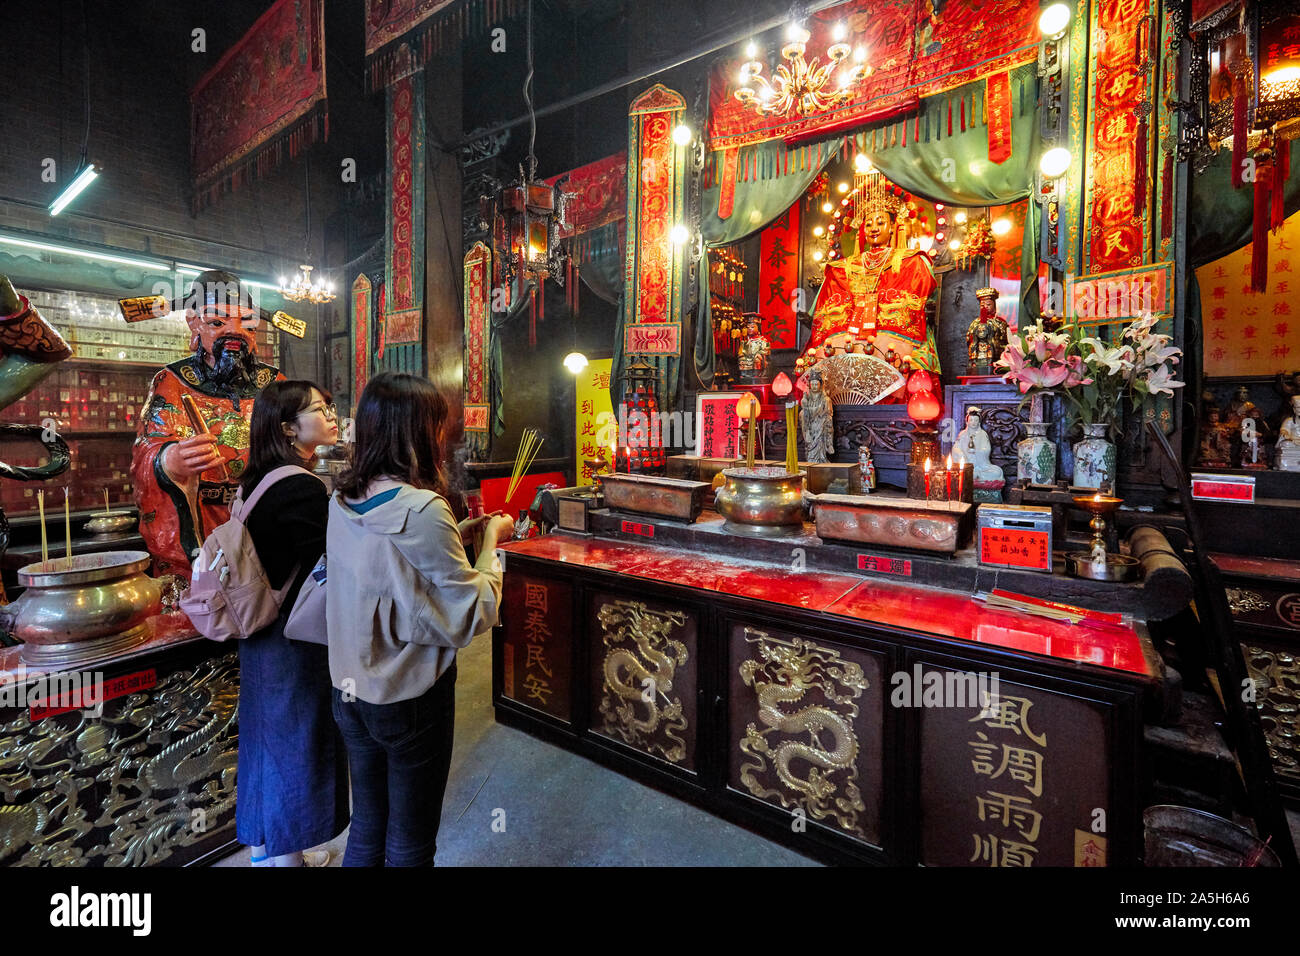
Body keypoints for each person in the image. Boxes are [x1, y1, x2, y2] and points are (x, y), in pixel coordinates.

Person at [327, 372, 513, 867]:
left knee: (368, 824)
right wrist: (493, 541)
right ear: (417, 431)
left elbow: (392, 572)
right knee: (410, 838)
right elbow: (471, 608)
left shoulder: (341, 499)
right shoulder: (424, 507)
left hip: (349, 688)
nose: (442, 435)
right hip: (408, 695)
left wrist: (460, 533)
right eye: (436, 425)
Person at [236, 380, 348, 867]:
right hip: (292, 636)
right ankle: (288, 861)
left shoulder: (256, 478)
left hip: (258, 631)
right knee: (298, 744)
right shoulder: (299, 485)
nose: (332, 416)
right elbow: (327, 561)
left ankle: (263, 850)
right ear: (288, 428)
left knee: (265, 740)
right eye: (320, 410)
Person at [129, 270, 284, 579]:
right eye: (217, 323)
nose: (235, 333)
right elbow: (147, 449)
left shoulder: (274, 384)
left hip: (262, 511)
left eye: (246, 324)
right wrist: (170, 459)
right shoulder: (172, 382)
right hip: (202, 514)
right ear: (194, 323)